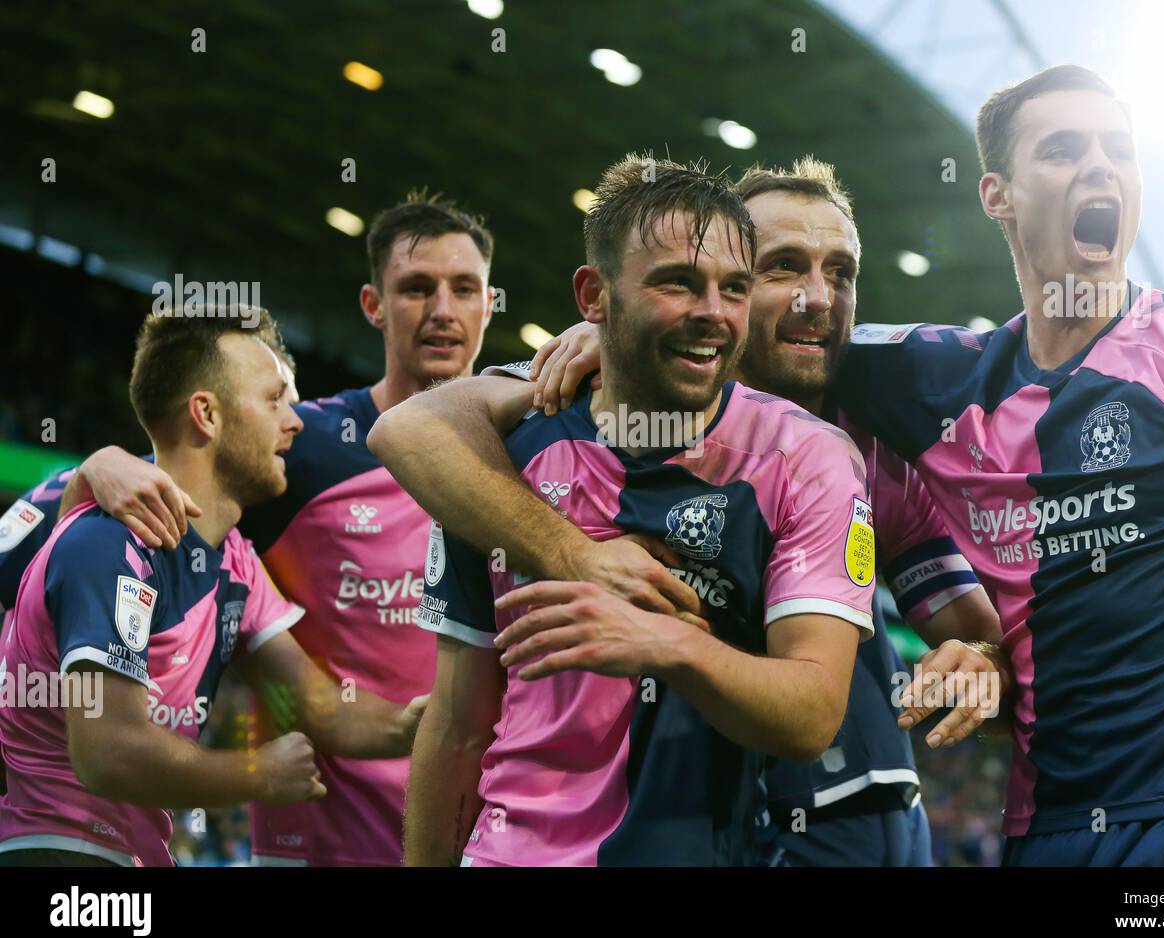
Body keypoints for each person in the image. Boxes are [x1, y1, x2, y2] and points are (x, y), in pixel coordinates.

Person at [832, 65, 1164, 865]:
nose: (1098, 167)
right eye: (1061, 149)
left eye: (1119, 148)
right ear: (997, 195)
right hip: (1038, 834)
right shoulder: (940, 377)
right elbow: (783, 349)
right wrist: (610, 343)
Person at [497, 158, 1009, 866]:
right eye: (783, 267)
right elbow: (417, 428)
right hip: (686, 824)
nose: (819, 298)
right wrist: (607, 336)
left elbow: (987, 647)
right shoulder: (589, 403)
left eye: (841, 272)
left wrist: (981, 662)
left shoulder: (871, 447)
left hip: (857, 824)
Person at [370, 155, 874, 866]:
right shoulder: (494, 460)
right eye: (678, 282)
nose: (713, 313)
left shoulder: (808, 459)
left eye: (734, 287)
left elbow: (813, 712)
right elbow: (457, 724)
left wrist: (668, 644)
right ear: (594, 295)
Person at [67, 190, 496, 866]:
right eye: (416, 288)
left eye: (464, 288)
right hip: (324, 843)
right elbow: (178, 466)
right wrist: (101, 464)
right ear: (373, 306)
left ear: (489, 304)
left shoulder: (532, 453)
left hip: (487, 838)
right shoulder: (303, 445)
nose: (443, 310)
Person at [0, 309, 424, 866]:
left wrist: (447, 715)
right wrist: (259, 773)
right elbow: (108, 752)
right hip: (55, 852)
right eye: (274, 400)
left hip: (133, 856)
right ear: (206, 414)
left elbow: (327, 710)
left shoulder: (237, 564)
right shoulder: (108, 540)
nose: (294, 422)